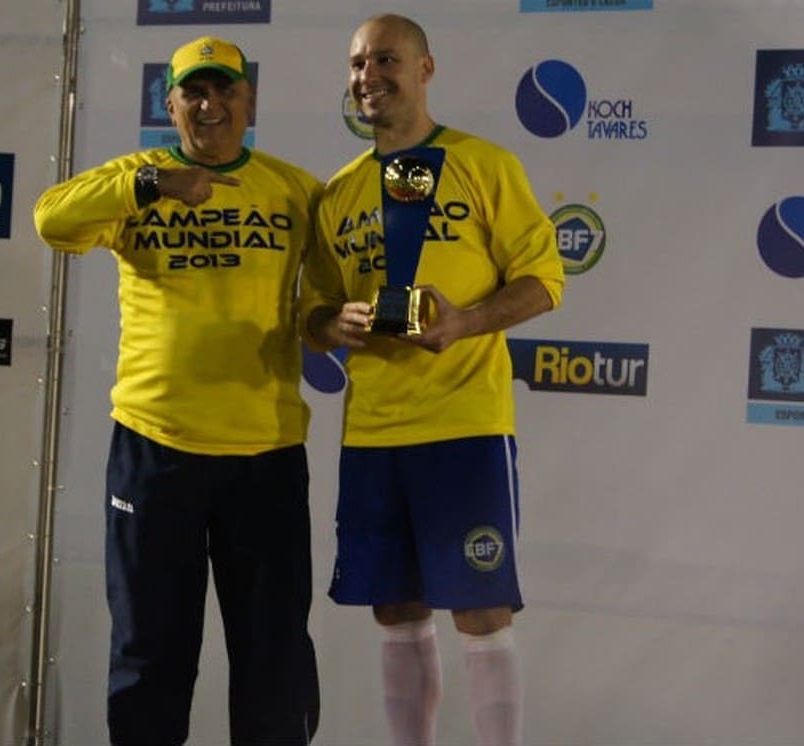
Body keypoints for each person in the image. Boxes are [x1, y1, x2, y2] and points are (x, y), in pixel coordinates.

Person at [33, 35, 321, 746]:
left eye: (224, 89)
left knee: (273, 658)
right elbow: (50, 219)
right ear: (170, 105)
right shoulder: (138, 177)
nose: (210, 104)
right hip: (155, 451)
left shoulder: (295, 190)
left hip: (267, 454)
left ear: (249, 101)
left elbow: (326, 301)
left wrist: (332, 323)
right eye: (193, 91)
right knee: (150, 651)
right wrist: (154, 185)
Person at [300, 14, 564, 746]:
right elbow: (312, 310)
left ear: (425, 69)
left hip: (464, 429)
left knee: (480, 612)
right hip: (374, 433)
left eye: (386, 59)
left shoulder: (484, 164)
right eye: (357, 63)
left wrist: (465, 322)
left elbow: (544, 280)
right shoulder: (339, 192)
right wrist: (333, 325)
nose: (367, 76)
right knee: (396, 610)